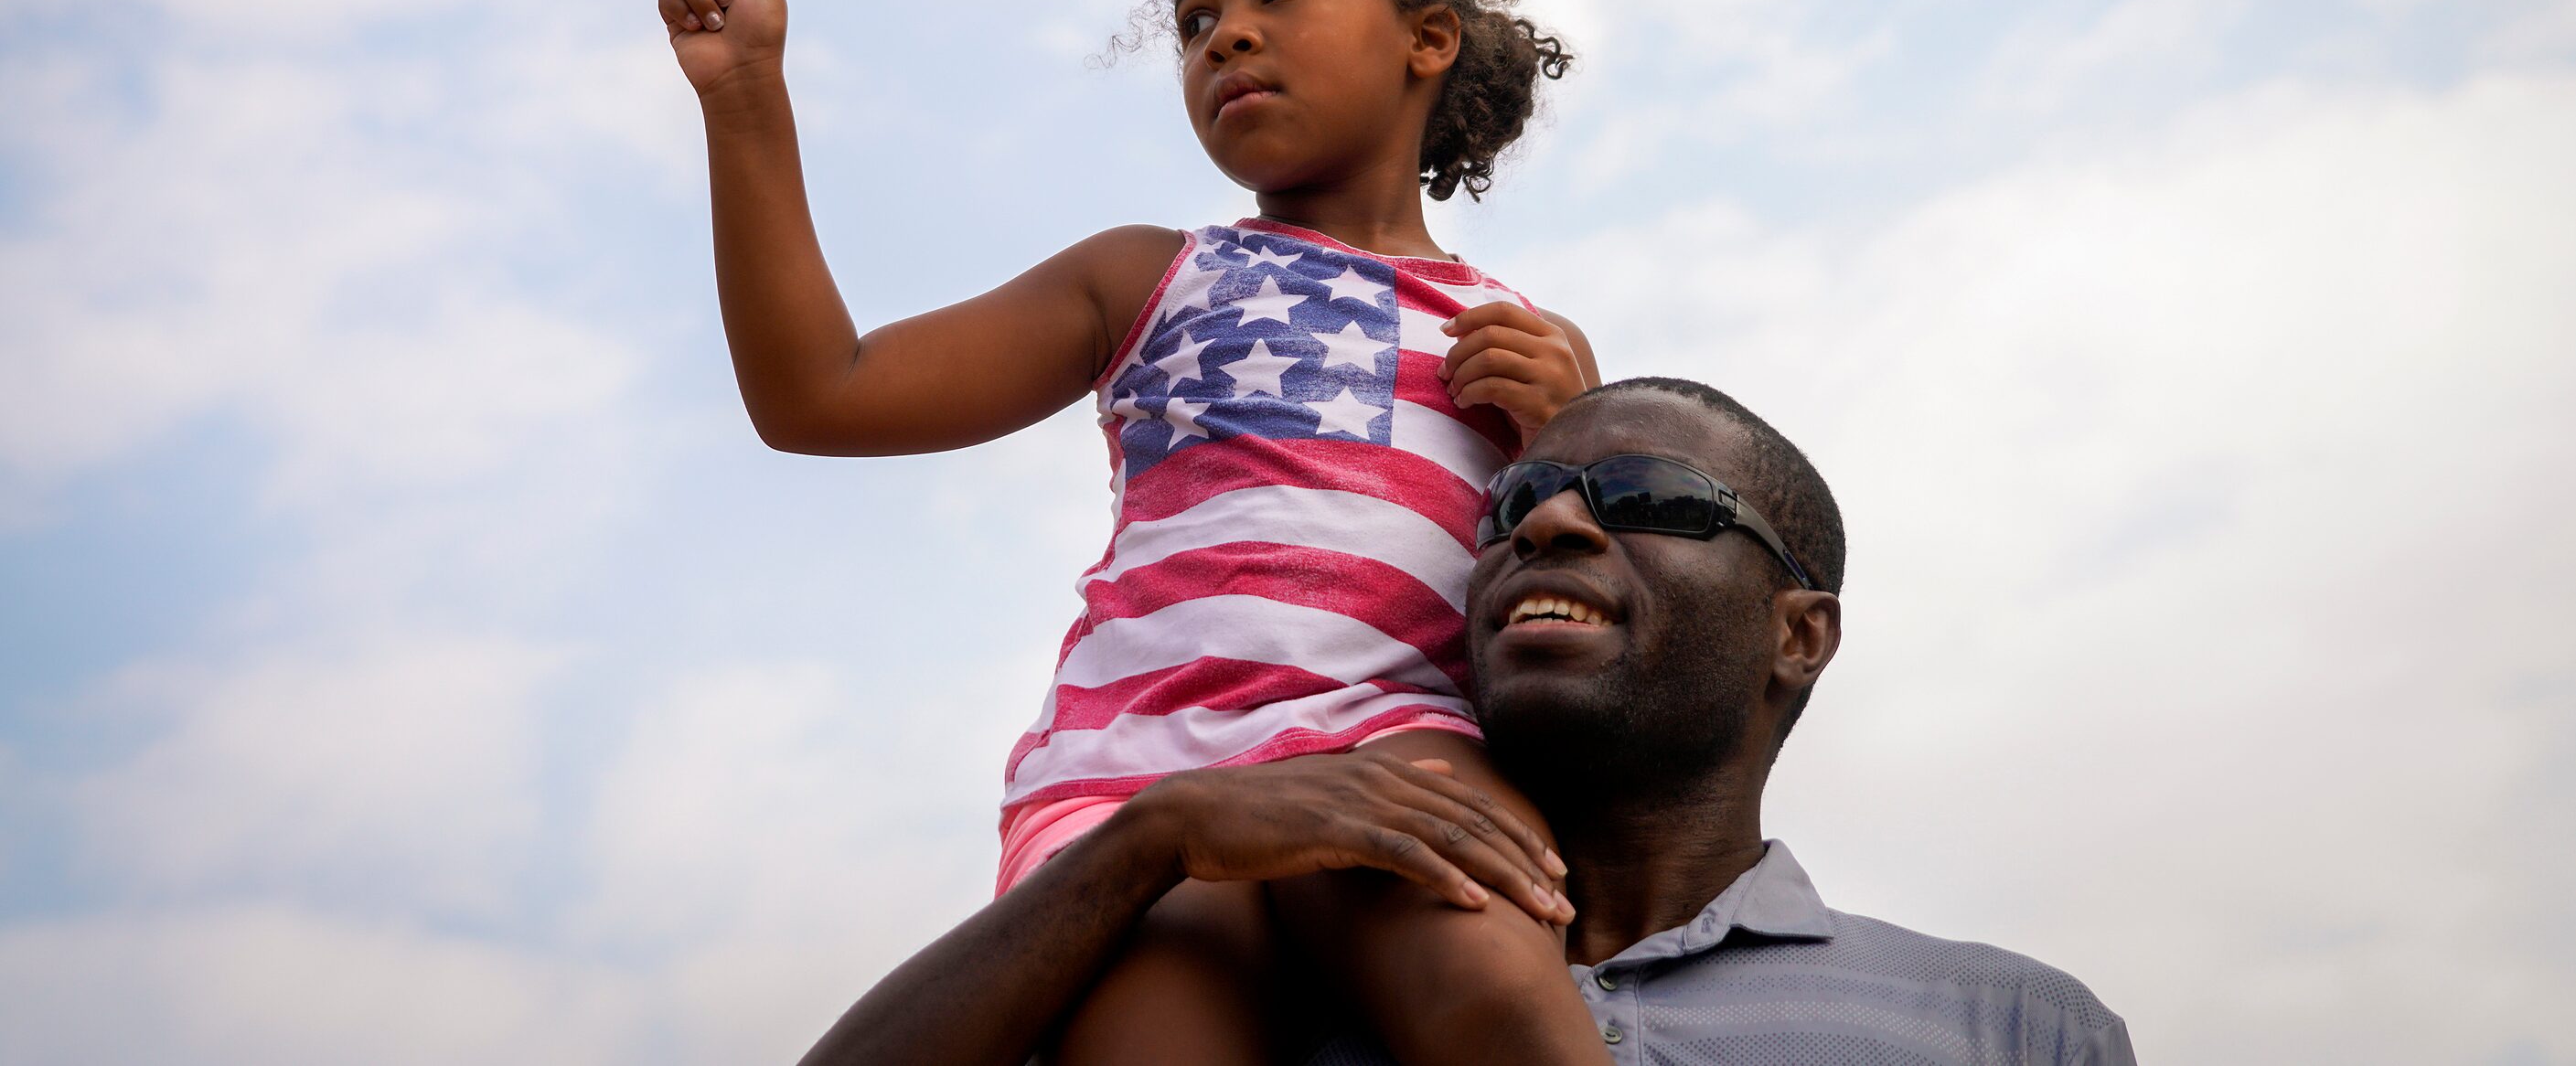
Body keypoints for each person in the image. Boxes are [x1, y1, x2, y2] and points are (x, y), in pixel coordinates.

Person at [654, 0, 1615, 1063]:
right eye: (1192, 17)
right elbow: (820, 395)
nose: (1225, 33)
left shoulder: (1522, 333)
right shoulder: (1147, 275)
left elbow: (1607, 593)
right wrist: (745, 98)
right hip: (1138, 770)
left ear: (1427, 39)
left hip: (1401, 732)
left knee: (1493, 996)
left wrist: (1566, 435)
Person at [796, 377, 2140, 1066]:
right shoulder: (1251, 979)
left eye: (1647, 498)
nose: (1548, 520)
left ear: (1798, 632)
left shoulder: (2008, 1027)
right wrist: (1148, 840)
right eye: (1513, 508)